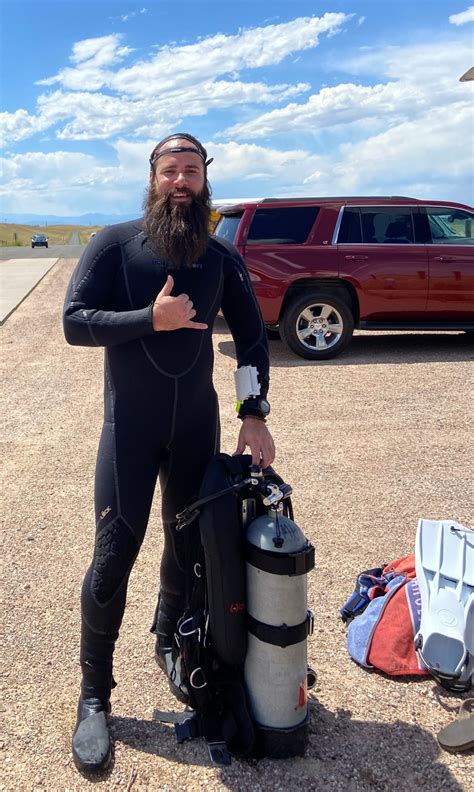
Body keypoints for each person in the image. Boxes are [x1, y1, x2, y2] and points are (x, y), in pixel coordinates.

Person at [63, 133, 275, 772]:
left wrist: (254, 414)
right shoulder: (115, 244)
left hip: (194, 428)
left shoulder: (219, 256)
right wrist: (146, 321)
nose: (180, 181)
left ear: (206, 180)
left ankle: (170, 640)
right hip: (128, 430)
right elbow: (75, 321)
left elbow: (253, 336)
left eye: (190, 171)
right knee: (112, 556)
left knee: (190, 551)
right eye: (168, 171)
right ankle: (95, 694)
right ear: (152, 179)